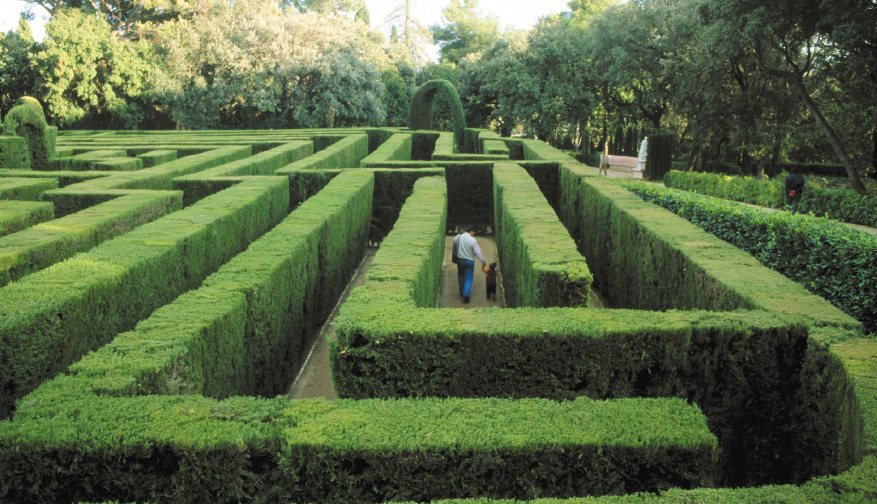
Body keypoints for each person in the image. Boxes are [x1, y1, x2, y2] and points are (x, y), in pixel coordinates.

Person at [452, 225, 487, 303]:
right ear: (471, 231)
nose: (474, 234)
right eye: (474, 232)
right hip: (469, 261)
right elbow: (478, 253)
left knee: (460, 275)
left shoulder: (457, 237)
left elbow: (453, 247)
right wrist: (483, 261)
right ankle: (466, 294)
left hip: (460, 260)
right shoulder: (473, 240)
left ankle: (461, 292)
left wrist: (453, 258)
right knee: (469, 278)